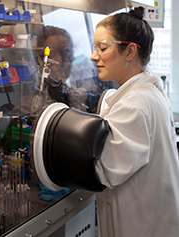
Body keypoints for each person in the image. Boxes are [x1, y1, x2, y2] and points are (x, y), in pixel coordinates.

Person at [89, 7, 179, 237]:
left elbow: (103, 172)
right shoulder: (149, 91)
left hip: (139, 227)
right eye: (94, 47)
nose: (93, 56)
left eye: (103, 47)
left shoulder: (134, 104)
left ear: (129, 51)